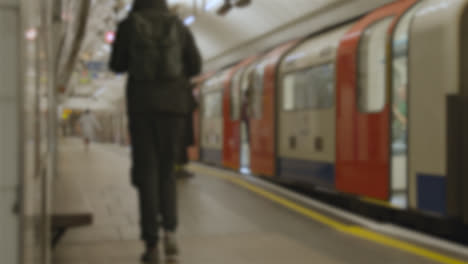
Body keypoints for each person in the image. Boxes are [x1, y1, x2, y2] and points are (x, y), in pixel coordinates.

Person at [109, 0, 202, 263]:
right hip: (174, 108)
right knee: (167, 172)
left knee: (146, 173)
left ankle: (151, 245)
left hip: (142, 107)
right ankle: (170, 232)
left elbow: (116, 65)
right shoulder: (178, 25)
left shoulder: (128, 25)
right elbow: (195, 66)